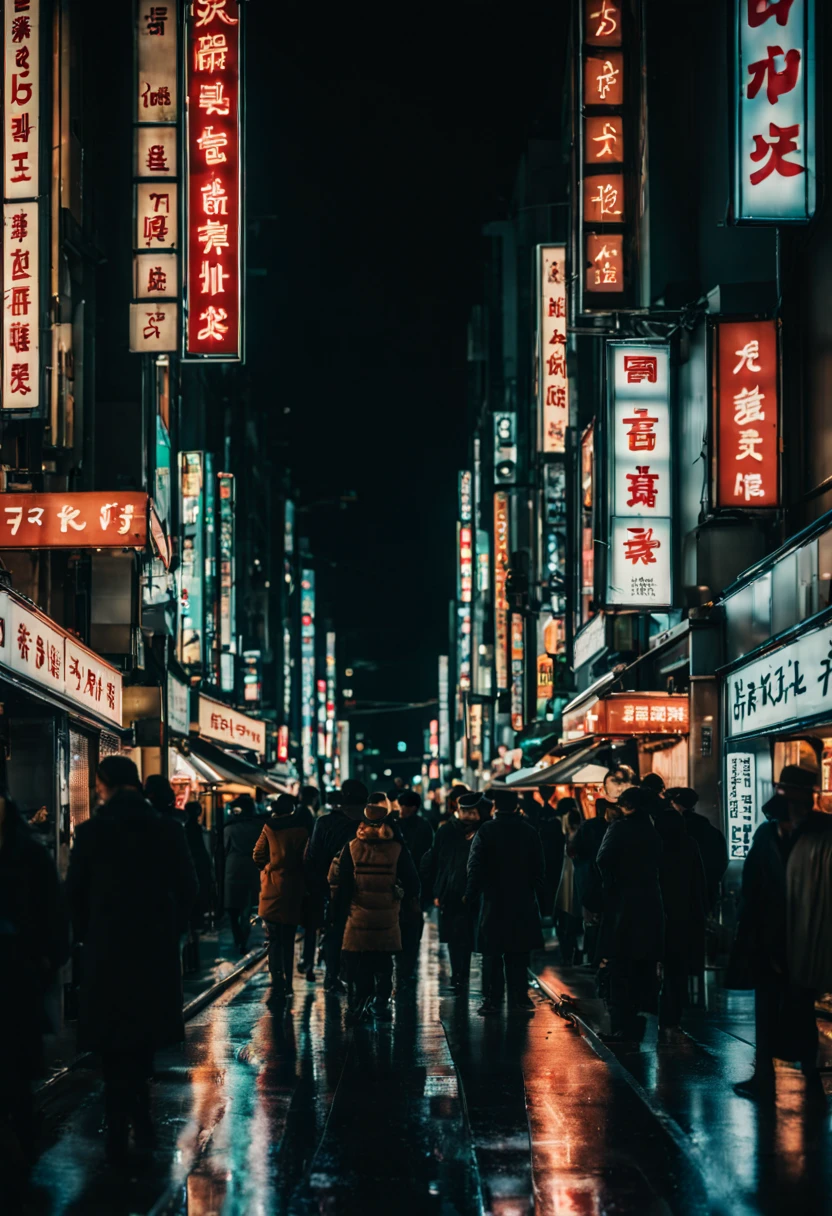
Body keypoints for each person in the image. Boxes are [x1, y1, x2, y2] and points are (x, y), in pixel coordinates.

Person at [65, 757, 197, 1164]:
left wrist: (88, 936)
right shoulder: (168, 831)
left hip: (106, 952)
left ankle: (118, 1127)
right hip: (153, 952)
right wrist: (169, 930)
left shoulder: (90, 834)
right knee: (142, 1042)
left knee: (112, 1043)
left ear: (103, 784)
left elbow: (74, 899)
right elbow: (191, 892)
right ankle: (141, 1121)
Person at [731, 766, 829, 1101]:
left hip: (806, 931)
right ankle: (765, 1074)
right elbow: (751, 885)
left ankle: (809, 1073)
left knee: (800, 1003)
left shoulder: (821, 832)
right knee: (767, 1005)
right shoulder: (767, 832)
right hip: (768, 933)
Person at [0, 791, 69, 1169]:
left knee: (15, 1070)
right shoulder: (29, 853)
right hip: (22, 973)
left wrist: (47, 961)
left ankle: (24, 1153)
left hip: (17, 977)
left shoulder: (30, 855)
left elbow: (53, 914)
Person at [330, 799, 419, 1024]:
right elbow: (413, 883)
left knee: (361, 961)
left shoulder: (352, 847)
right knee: (384, 960)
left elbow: (344, 886)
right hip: (388, 916)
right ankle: (381, 1002)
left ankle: (362, 1002)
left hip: (357, 915)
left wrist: (338, 914)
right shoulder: (397, 848)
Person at [466, 788, 545, 1015]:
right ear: (515, 806)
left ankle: (493, 999)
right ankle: (520, 997)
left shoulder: (486, 831)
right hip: (522, 900)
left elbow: (475, 866)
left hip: (493, 900)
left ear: (495, 807)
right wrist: (540, 897)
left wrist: (470, 894)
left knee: (492, 953)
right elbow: (539, 868)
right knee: (518, 952)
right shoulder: (528, 831)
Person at [596, 785, 663, 1042]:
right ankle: (636, 1022)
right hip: (649, 904)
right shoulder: (653, 829)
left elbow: (603, 860)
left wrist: (610, 885)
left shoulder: (619, 828)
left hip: (623, 906)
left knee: (620, 965)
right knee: (642, 964)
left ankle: (620, 1026)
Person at [304, 778, 368, 991]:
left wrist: (317, 887)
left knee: (334, 931)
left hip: (331, 887)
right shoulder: (371, 822)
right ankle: (358, 977)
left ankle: (332, 976)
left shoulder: (324, 823)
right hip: (365, 887)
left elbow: (312, 858)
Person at [421, 792, 484, 991]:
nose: (469, 815)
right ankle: (459, 972)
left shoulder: (477, 830)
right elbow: (435, 861)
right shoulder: (447, 831)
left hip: (470, 891)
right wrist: (436, 891)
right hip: (453, 891)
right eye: (466, 811)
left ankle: (460, 973)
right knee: (458, 936)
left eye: (472, 811)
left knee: (465, 935)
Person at [655, 801, 707, 1039]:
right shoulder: (690, 845)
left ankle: (653, 1012)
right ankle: (672, 1018)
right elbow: (699, 882)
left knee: (654, 966)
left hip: (657, 913)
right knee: (677, 970)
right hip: (684, 915)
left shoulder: (655, 846)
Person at [253, 793, 310, 1000]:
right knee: (289, 938)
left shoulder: (269, 827)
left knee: (274, 938)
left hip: (272, 888)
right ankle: (289, 983)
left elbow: (258, 854)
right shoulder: (303, 830)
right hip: (295, 888)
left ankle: (276, 979)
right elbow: (308, 858)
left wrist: (268, 868)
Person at [394, 790, 434, 988]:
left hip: (413, 885)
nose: (401, 810)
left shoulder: (418, 827)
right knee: (407, 926)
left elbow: (427, 858)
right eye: (400, 806)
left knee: (410, 926)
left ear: (414, 808)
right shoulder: (408, 825)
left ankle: (405, 967)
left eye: (405, 806)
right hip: (407, 884)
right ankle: (404, 967)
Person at [669, 788, 728, 911]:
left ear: (677, 805)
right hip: (707, 886)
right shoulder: (710, 829)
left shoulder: (676, 831)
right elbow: (721, 861)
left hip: (681, 890)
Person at [223, 793, 263, 955]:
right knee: (247, 908)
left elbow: (224, 849)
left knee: (232, 907)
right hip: (253, 868)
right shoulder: (259, 827)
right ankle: (243, 940)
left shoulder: (229, 828)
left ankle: (237, 936)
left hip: (233, 867)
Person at [571, 794, 608, 963]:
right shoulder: (614, 827)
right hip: (608, 880)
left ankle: (593, 957)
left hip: (589, 879)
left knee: (592, 920)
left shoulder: (588, 827)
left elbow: (574, 850)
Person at [183, 801, 214, 968]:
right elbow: (202, 855)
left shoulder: (187, 828)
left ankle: (192, 961)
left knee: (192, 923)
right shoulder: (193, 829)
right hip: (198, 877)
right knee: (194, 923)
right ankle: (193, 961)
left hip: (195, 877)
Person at [555, 807, 584, 965]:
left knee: (568, 921)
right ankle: (577, 953)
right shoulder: (580, 835)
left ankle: (570, 953)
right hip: (574, 882)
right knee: (576, 922)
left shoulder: (569, 837)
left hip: (567, 882)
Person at [536, 787, 566, 922]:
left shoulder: (539, 817)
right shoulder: (556, 820)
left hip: (545, 859)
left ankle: (548, 912)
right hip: (555, 859)